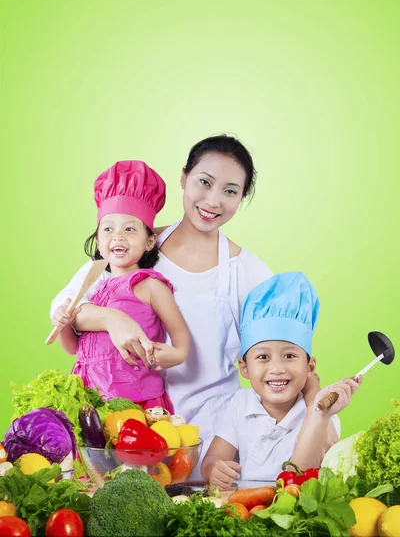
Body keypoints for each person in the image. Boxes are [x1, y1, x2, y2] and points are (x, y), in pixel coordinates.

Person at [51, 135, 315, 477]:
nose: (213, 200)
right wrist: (111, 319)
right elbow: (66, 305)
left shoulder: (246, 272)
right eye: (204, 182)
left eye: (230, 191)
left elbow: (285, 352)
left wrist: (317, 410)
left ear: (241, 198)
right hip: (127, 430)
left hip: (210, 441)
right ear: (183, 178)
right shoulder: (132, 242)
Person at [201, 272, 361, 488]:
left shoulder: (324, 414)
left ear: (310, 367)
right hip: (247, 510)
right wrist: (213, 469)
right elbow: (213, 458)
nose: (276, 369)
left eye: (289, 356)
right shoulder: (241, 404)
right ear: (245, 368)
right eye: (263, 357)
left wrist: (317, 406)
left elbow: (299, 477)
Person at [56, 160, 190, 411]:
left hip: (138, 401)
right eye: (108, 229)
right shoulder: (93, 290)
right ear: (98, 240)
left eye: (129, 229)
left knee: (137, 451)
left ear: (149, 241)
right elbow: (74, 348)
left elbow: (180, 333)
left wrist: (178, 354)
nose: (117, 236)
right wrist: (63, 324)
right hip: (92, 402)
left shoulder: (150, 285)